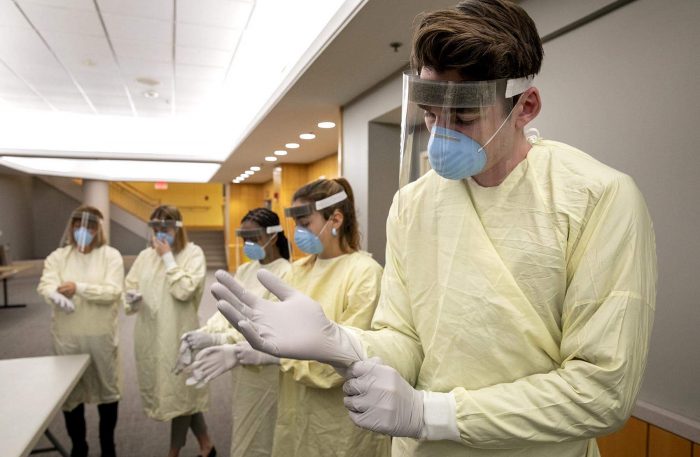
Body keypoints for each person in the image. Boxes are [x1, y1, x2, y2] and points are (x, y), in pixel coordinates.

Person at [210, 2, 658, 457]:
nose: (441, 134)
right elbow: (405, 340)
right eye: (429, 114)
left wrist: (432, 413)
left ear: (526, 106)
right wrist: (338, 341)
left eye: (462, 118)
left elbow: (601, 392)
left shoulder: (597, 198)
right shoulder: (413, 203)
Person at [202, 178, 391, 457]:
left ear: (335, 218)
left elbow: (347, 359)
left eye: (305, 223)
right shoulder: (297, 271)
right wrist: (237, 347)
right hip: (295, 412)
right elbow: (272, 329)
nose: (299, 232)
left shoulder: (364, 273)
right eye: (297, 224)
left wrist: (276, 357)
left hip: (340, 423)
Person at [175, 208, 292, 457]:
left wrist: (220, 339)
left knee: (265, 437)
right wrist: (203, 334)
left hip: (267, 372)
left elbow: (270, 329)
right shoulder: (246, 270)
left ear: (273, 236)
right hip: (242, 372)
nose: (248, 244)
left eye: (254, 237)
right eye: (244, 238)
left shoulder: (286, 273)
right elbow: (226, 313)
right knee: (244, 431)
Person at [124, 205, 215, 457]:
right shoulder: (144, 257)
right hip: (151, 336)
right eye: (156, 228)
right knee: (183, 395)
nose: (160, 233)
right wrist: (131, 298)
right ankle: (207, 444)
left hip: (180, 336)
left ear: (178, 228)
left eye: (166, 228)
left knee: (180, 394)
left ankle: (173, 452)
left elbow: (185, 290)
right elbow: (130, 287)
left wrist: (167, 258)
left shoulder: (193, 253)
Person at [37, 206, 124, 457]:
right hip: (67, 338)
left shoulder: (110, 256)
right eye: (77, 225)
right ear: (71, 227)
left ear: (98, 229)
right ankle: (79, 446)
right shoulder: (58, 257)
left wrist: (79, 288)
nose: (82, 231)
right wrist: (53, 293)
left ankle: (108, 446)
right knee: (71, 396)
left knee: (108, 392)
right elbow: (46, 283)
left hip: (101, 337)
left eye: (89, 226)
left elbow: (112, 292)